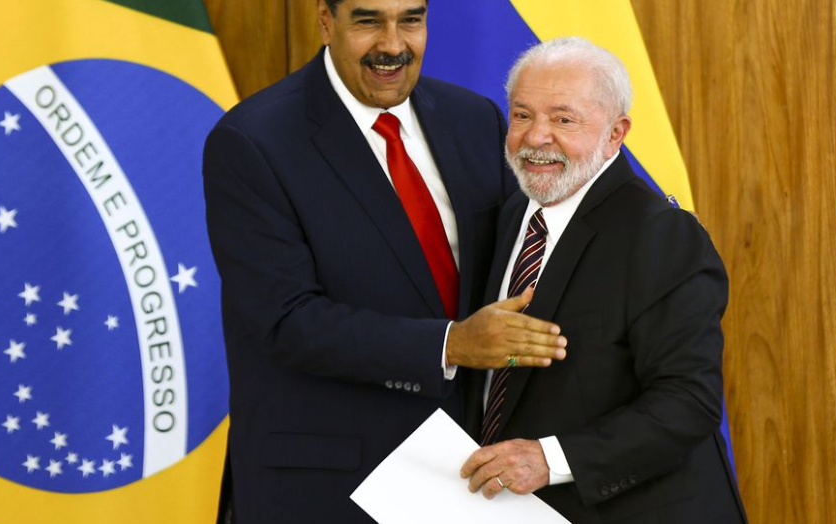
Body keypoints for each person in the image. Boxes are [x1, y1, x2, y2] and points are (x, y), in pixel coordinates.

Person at [202, 1, 568, 522]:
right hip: (329, 485)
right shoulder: (253, 141)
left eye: (410, 20)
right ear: (326, 21)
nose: (393, 45)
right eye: (368, 21)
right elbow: (284, 320)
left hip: (473, 475)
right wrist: (452, 344)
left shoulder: (474, 119)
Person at [459, 37, 748, 523]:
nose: (536, 137)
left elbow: (687, 403)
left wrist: (551, 459)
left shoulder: (662, 234)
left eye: (563, 120)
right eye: (522, 115)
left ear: (616, 133)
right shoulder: (511, 213)